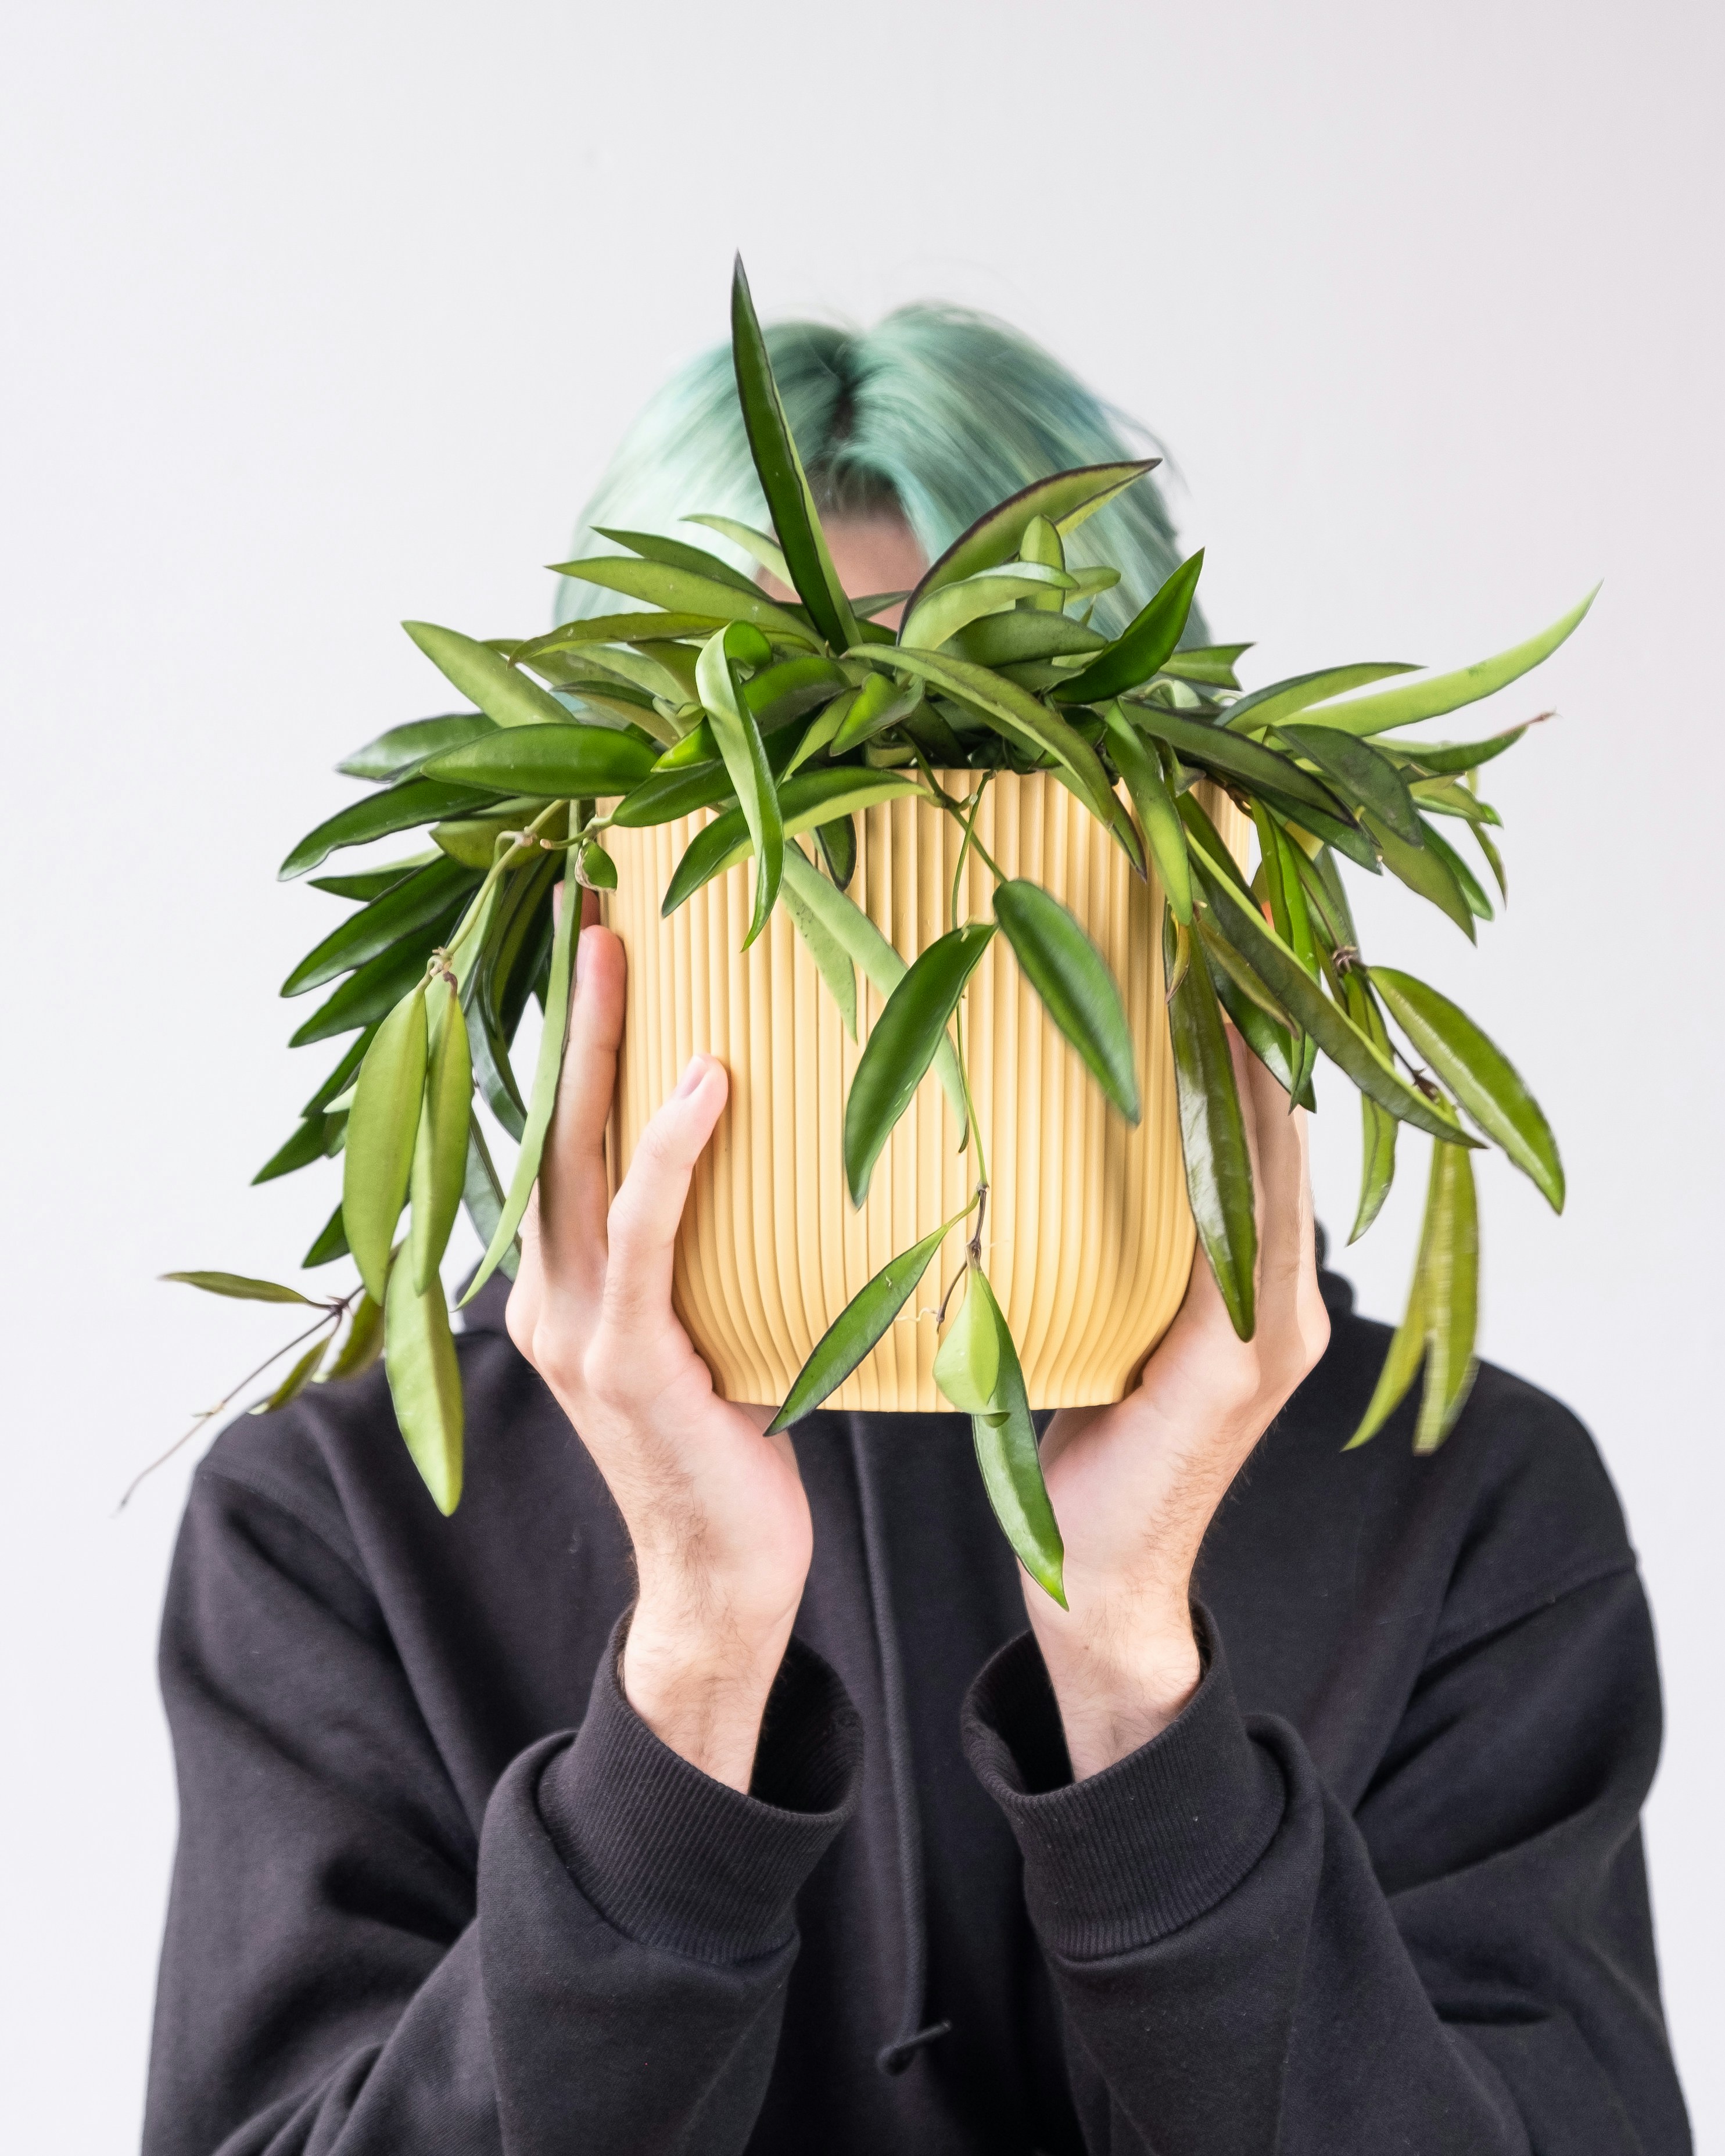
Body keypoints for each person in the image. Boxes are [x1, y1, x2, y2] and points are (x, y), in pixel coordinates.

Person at [144, 308, 1691, 2155]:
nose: (890, 939)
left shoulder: (1462, 1501)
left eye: (993, 772)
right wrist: (691, 1671)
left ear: (1172, 867)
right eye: (783, 788)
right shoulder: (351, 1513)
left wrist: (1131, 1673)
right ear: (587, 884)